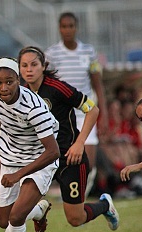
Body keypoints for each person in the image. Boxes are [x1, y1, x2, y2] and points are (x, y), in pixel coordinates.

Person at [18, 46, 119, 230]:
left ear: (43, 66)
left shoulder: (57, 88)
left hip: (70, 159)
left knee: (75, 219)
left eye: (34, 64)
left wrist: (79, 143)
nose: (29, 69)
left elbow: (93, 109)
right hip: (45, 160)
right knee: (20, 206)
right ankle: (39, 213)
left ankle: (105, 205)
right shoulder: (22, 95)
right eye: (24, 65)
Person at [0, 57, 60, 232]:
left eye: (9, 82)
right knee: (3, 221)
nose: (3, 88)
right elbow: (8, 118)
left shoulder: (35, 108)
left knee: (16, 217)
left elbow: (53, 152)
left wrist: (18, 175)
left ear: (18, 80)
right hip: (11, 157)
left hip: (40, 159)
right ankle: (39, 210)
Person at [45, 12, 108, 196]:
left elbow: (98, 84)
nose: (67, 30)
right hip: (62, 114)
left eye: (71, 26)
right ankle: (65, 195)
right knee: (61, 157)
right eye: (64, 26)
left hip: (86, 112)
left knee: (89, 160)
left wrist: (103, 114)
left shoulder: (88, 52)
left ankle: (81, 198)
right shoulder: (52, 53)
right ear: (59, 28)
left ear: (76, 27)